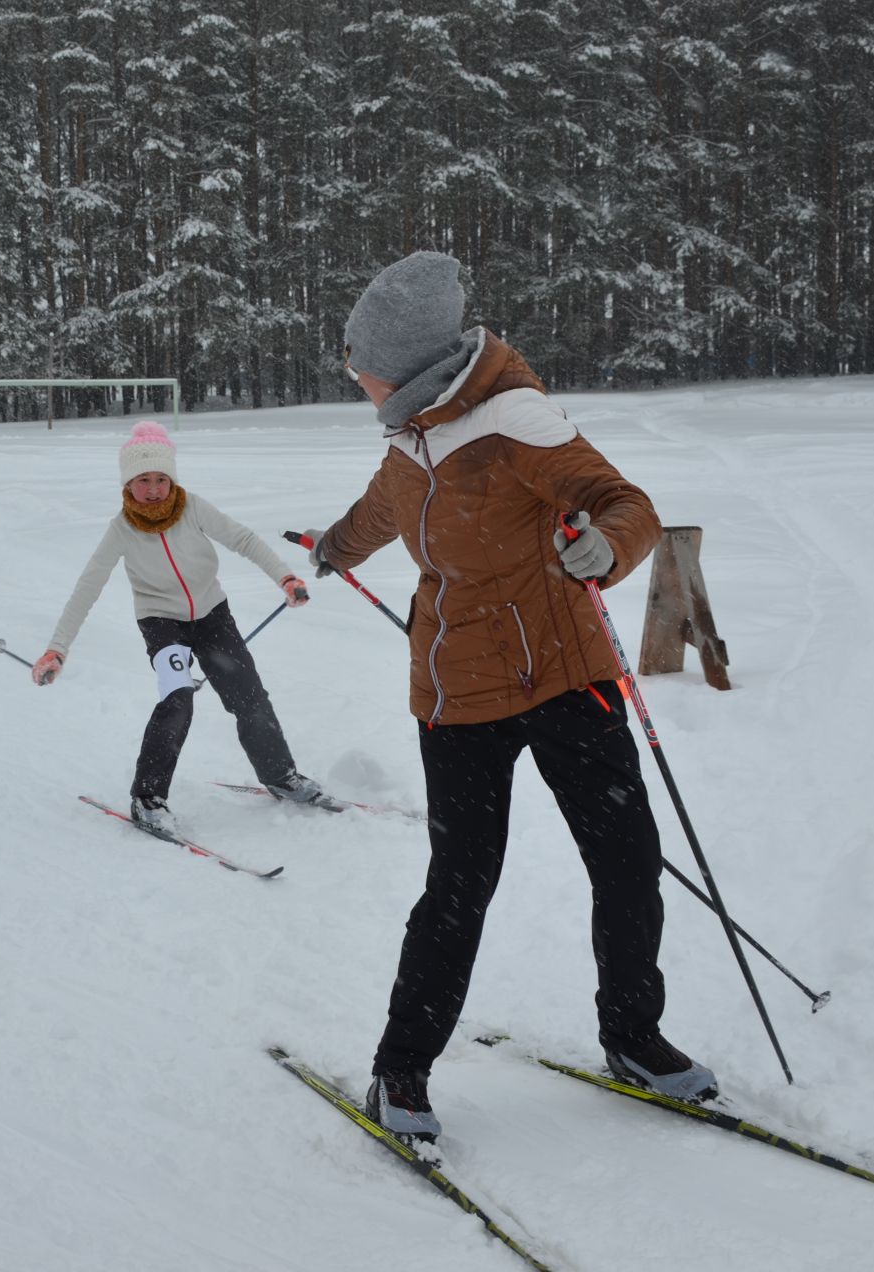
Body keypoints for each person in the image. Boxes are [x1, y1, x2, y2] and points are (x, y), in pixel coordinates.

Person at [303, 250, 715, 1142]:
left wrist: (607, 547)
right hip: (459, 694)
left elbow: (623, 500)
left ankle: (634, 1036)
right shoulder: (411, 438)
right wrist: (336, 547)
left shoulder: (512, 422)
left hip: (570, 680)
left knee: (626, 864)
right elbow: (383, 510)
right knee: (459, 886)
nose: (355, 377)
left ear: (407, 366)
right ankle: (401, 1070)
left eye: (361, 363)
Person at [33, 420, 322, 833]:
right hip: (161, 622)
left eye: (161, 479)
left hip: (212, 615)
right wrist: (57, 648)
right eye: (143, 480)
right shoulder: (121, 530)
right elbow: (87, 587)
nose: (153, 489)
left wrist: (285, 577)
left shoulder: (192, 508)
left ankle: (280, 776)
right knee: (178, 700)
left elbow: (244, 539)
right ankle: (148, 798)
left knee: (249, 696)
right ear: (128, 484)